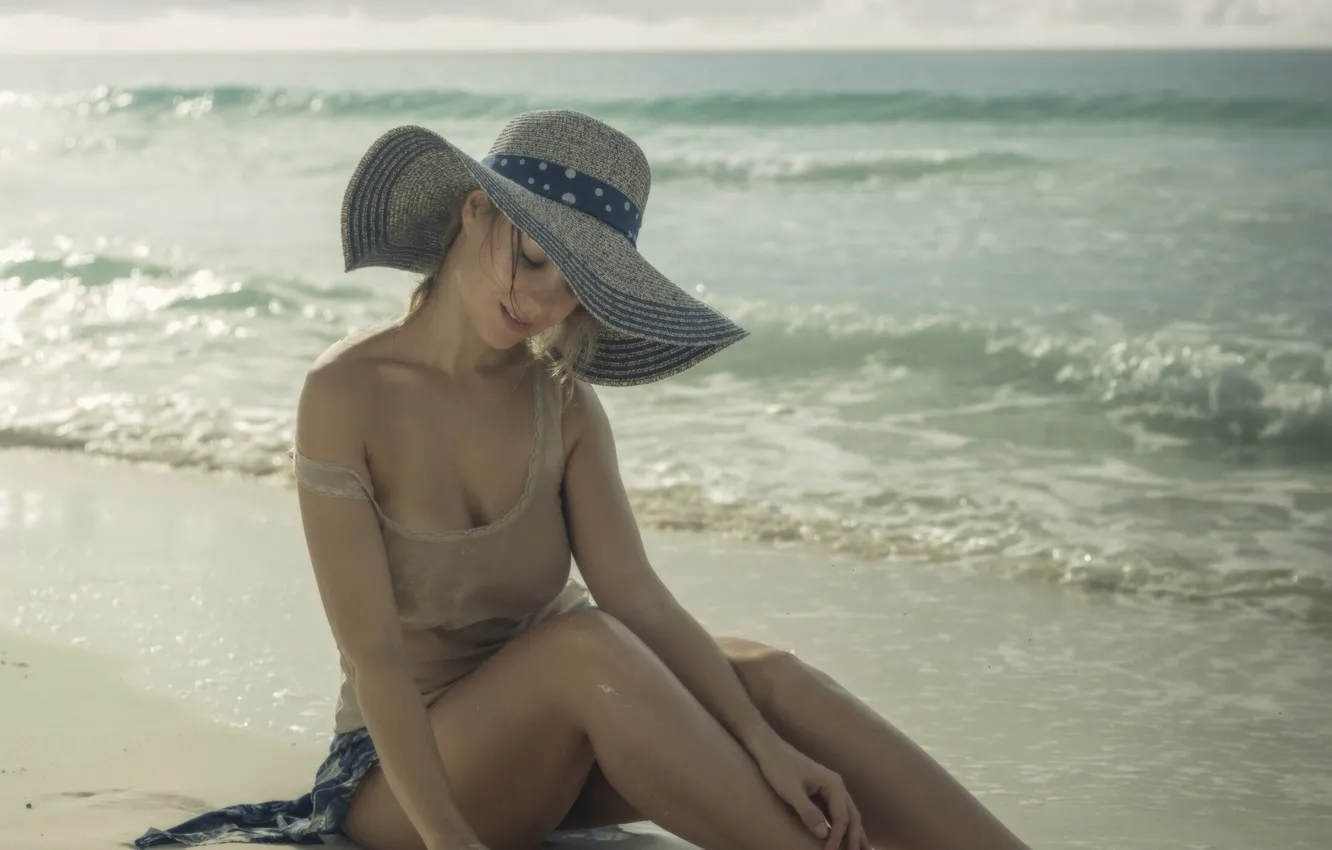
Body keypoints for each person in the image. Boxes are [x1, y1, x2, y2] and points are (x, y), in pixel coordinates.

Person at [135, 110, 1032, 850]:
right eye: (533, 259)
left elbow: (637, 597)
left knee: (773, 679)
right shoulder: (346, 393)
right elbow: (376, 664)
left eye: (573, 287)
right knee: (587, 648)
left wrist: (762, 744)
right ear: (474, 213)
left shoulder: (558, 402)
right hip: (402, 782)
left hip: (565, 741)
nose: (539, 302)